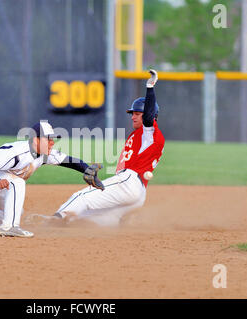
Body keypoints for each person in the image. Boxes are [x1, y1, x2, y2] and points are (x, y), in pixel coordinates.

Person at [35, 69, 165, 227]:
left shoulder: (150, 133)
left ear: (149, 115)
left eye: (137, 113)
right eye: (133, 113)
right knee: (95, 219)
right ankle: (81, 223)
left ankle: (56, 219)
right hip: (137, 194)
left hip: (129, 182)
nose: (133, 116)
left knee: (82, 196)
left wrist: (150, 87)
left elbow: (150, 116)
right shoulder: (141, 136)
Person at [0, 120, 104, 238]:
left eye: (53, 139)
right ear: (36, 140)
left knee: (14, 209)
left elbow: (68, 160)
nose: (52, 143)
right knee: (17, 182)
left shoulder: (44, 154)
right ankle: (9, 227)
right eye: (48, 139)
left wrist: (86, 169)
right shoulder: (18, 152)